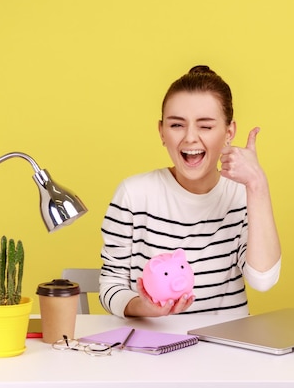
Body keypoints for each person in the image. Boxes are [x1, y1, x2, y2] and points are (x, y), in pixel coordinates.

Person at [99, 65, 281, 317]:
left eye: (205, 126)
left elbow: (263, 279)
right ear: (162, 132)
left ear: (229, 133)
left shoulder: (241, 195)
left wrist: (257, 184)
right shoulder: (133, 194)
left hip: (227, 348)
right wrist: (145, 307)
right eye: (177, 125)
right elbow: (110, 285)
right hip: (151, 348)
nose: (190, 138)